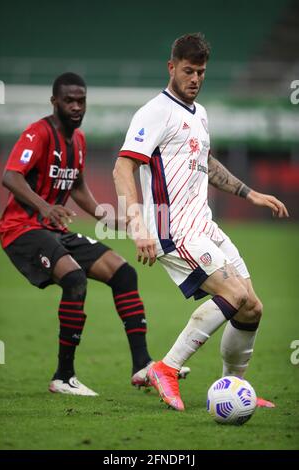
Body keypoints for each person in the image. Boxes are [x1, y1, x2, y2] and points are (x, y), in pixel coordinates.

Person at [113, 33, 289, 411]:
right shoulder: (154, 112)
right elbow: (123, 166)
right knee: (234, 295)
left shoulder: (200, 113)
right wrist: (137, 226)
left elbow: (205, 162)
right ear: (171, 67)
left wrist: (250, 193)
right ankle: (167, 368)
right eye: (188, 71)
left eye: (201, 73)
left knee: (251, 307)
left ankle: (234, 388)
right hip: (171, 228)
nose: (195, 79)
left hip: (204, 226)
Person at [0, 72, 191, 396]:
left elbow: (80, 191)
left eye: (81, 100)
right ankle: (63, 376)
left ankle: (142, 365)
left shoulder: (80, 142)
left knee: (123, 272)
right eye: (69, 100)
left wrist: (120, 221)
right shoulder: (38, 133)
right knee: (74, 279)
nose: (76, 106)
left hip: (54, 230)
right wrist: (45, 207)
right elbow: (11, 177)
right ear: (54, 102)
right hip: (22, 229)